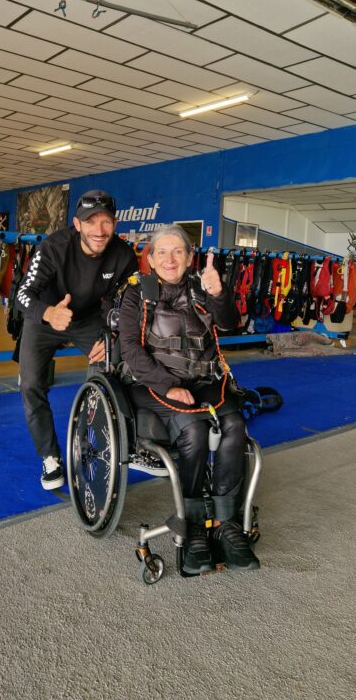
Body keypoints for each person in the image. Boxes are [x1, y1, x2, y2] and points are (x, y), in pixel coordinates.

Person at [118, 224, 260, 575]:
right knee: (194, 430)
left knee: (234, 423)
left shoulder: (202, 286)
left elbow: (230, 324)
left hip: (204, 379)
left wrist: (219, 294)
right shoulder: (136, 293)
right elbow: (130, 350)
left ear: (189, 257)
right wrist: (167, 385)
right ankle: (193, 527)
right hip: (153, 382)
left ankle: (226, 525)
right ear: (151, 259)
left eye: (178, 251)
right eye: (162, 252)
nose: (170, 259)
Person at [16, 190, 137, 490]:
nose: (99, 230)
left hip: (88, 318)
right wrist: (47, 313)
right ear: (77, 223)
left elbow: (127, 304)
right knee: (30, 384)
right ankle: (49, 457)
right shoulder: (54, 247)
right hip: (47, 316)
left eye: (106, 221)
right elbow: (22, 294)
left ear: (115, 223)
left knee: (112, 361)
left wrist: (112, 334)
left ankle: (92, 437)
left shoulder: (123, 255)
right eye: (90, 222)